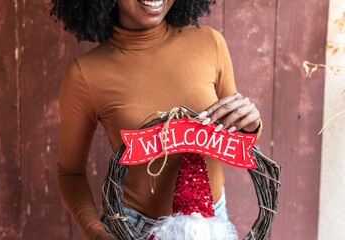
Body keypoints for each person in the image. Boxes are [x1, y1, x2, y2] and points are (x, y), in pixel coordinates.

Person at [51, 0, 262, 239]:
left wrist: (250, 125)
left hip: (211, 225)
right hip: (134, 229)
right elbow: (70, 174)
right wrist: (95, 232)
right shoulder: (85, 74)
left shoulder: (210, 43)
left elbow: (233, 139)